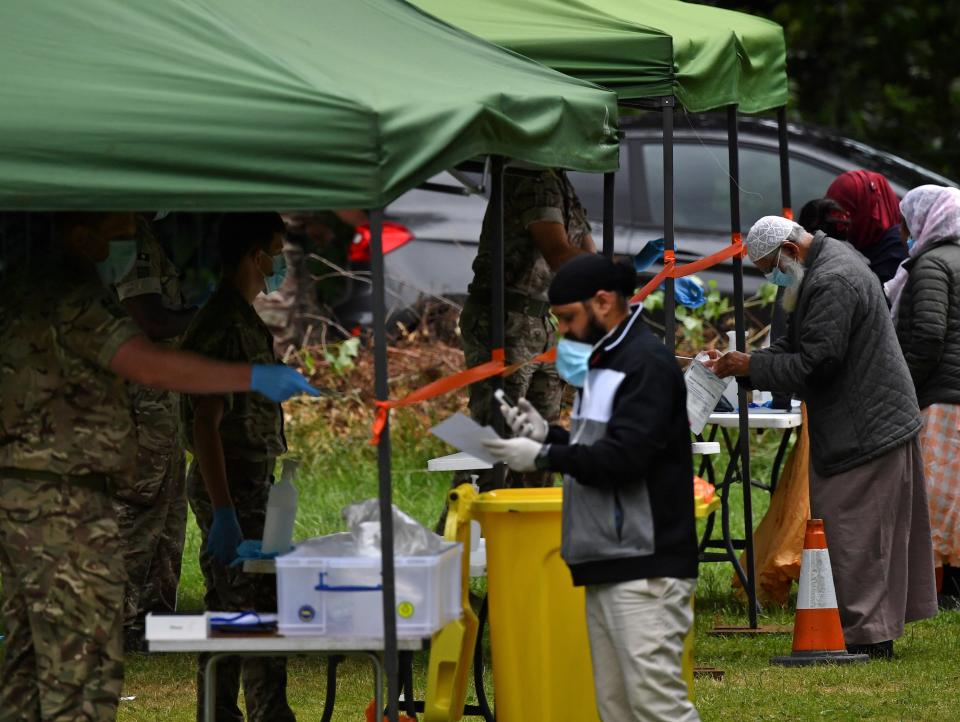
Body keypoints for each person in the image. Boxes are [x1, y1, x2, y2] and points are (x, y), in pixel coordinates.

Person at [0, 211, 317, 721]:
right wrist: (252, 376)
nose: (126, 245)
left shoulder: (22, 285)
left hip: (27, 493)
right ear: (78, 230)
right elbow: (148, 363)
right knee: (80, 664)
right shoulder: (70, 291)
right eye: (117, 232)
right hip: (63, 501)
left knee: (24, 660)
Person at [707, 215, 937, 658]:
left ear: (791, 252)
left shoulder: (833, 280)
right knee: (854, 531)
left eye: (770, 268)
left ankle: (869, 637)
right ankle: (864, 629)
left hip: (867, 426)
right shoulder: (819, 268)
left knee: (857, 533)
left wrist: (750, 367)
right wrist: (747, 360)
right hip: (866, 418)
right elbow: (794, 345)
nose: (771, 279)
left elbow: (816, 364)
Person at [483, 254, 700, 721]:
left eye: (567, 317)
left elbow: (626, 458)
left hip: (646, 561)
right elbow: (600, 444)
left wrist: (546, 456)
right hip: (610, 556)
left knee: (656, 706)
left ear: (603, 302)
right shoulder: (605, 361)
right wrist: (549, 436)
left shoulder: (645, 364)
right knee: (617, 707)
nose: (562, 330)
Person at [179, 212, 300, 722]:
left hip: (246, 482)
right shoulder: (227, 324)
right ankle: (264, 713)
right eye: (274, 250)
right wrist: (225, 509)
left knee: (231, 608)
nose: (278, 263)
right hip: (231, 483)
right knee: (250, 608)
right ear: (255, 256)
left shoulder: (239, 318)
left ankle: (221, 710)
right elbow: (206, 424)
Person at [461, 168, 595, 489]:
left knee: (540, 443)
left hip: (540, 322)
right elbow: (560, 255)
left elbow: (586, 252)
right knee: (496, 437)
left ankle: (530, 532)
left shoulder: (561, 181)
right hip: (505, 321)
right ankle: (466, 532)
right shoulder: (528, 172)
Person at [111, 215, 197, 651]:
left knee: (168, 505)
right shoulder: (128, 235)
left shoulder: (150, 235)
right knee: (141, 501)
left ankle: (154, 617)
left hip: (162, 392)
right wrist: (200, 312)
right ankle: (117, 620)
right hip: (143, 395)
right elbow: (147, 317)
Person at [887, 186, 960, 605]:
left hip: (942, 397)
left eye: (905, 220)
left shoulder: (932, 265)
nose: (901, 230)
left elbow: (929, 335)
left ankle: (938, 590)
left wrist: (905, 386)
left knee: (934, 499)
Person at [826, 170, 906, 284]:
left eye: (846, 215)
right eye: (832, 214)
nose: (839, 224)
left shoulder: (896, 250)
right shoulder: (866, 239)